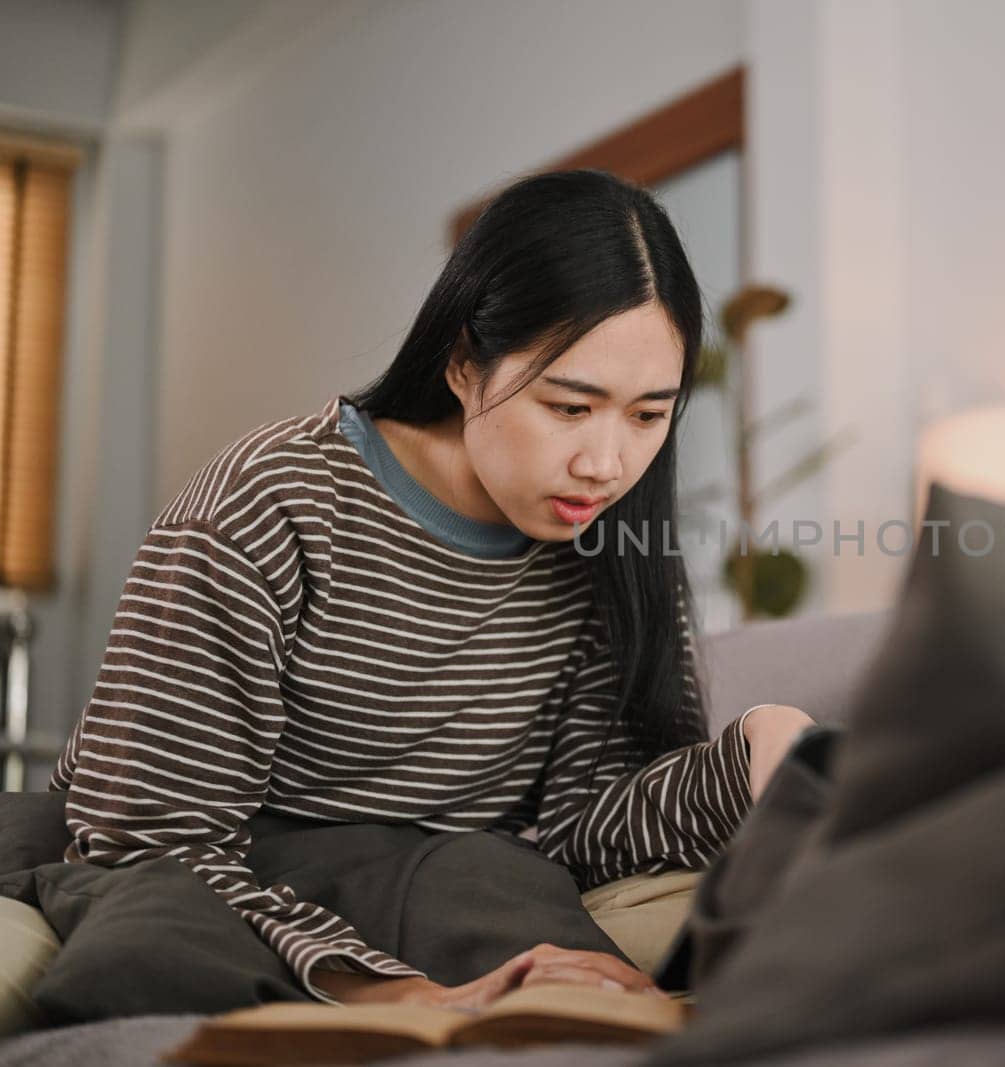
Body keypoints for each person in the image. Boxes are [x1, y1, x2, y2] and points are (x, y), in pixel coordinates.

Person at [46, 169, 817, 1012]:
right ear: (462, 363)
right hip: (195, 867)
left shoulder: (614, 544)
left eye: (646, 415)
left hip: (444, 880)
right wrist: (402, 994)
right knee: (157, 930)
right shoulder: (274, 500)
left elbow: (584, 830)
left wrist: (760, 753)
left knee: (496, 879)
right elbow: (146, 837)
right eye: (570, 407)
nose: (606, 463)